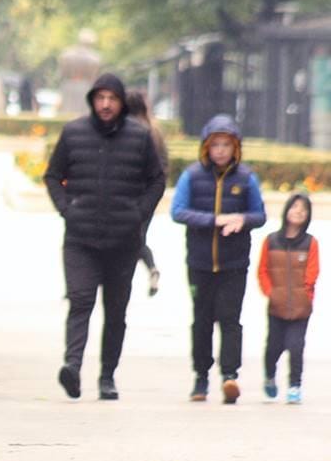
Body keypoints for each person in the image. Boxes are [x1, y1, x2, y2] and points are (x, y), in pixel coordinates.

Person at [44, 73, 165, 401]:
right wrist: (67, 209)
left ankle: (107, 376)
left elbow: (157, 180)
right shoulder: (73, 133)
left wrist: (138, 213)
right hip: (80, 238)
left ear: (122, 102)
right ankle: (72, 366)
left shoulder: (140, 137)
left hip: (123, 241)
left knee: (115, 312)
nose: (106, 104)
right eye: (100, 98)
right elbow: (53, 175)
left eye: (112, 98)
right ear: (92, 101)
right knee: (80, 301)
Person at [171, 114, 265, 403]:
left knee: (230, 319)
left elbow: (260, 214)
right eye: (215, 145)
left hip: (233, 264)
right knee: (201, 320)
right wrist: (214, 220)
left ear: (235, 148)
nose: (221, 150)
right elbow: (178, 211)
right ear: (206, 147)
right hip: (199, 263)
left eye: (226, 144)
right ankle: (200, 378)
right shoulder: (191, 176)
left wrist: (242, 219)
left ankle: (229, 376)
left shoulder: (246, 178)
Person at [257, 192, 319, 404]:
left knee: (296, 346)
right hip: (276, 306)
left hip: (301, 308)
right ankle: (269, 376)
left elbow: (313, 272)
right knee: (273, 347)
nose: (298, 212)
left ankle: (295, 386)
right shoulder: (271, 240)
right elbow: (262, 270)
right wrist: (271, 293)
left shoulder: (310, 243)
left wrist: (306, 294)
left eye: (304, 209)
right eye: (295, 207)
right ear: (287, 210)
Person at [125, 90, 168, 296]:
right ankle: (151, 268)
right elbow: (164, 165)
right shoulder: (154, 130)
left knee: (131, 238)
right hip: (148, 195)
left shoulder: (128, 130)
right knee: (139, 235)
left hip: (129, 194)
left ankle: (143, 270)